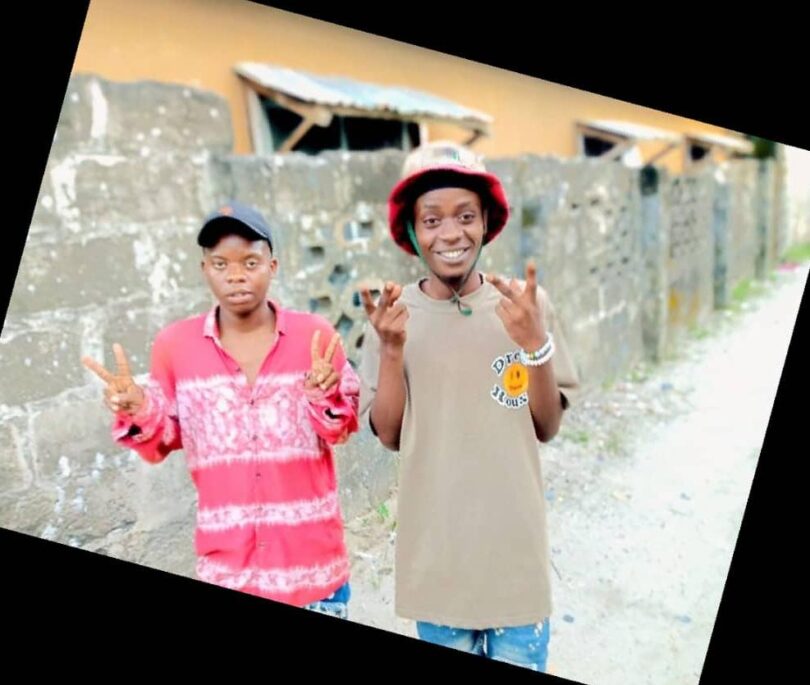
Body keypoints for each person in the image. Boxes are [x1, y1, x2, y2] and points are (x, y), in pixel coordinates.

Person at [358, 142, 579, 670]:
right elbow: (388, 434)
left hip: (515, 558)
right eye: (431, 220)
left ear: (486, 223)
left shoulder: (525, 307)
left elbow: (547, 425)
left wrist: (535, 344)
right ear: (412, 231)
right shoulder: (393, 318)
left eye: (465, 216)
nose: (451, 234)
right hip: (437, 564)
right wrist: (391, 350)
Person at [83, 201, 359, 618]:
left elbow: (342, 429)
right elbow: (162, 440)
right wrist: (139, 409)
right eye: (220, 264)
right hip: (229, 571)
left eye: (250, 262)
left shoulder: (314, 338)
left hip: (313, 573)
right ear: (204, 270)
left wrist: (325, 395)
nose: (235, 275)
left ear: (273, 266)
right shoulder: (175, 346)